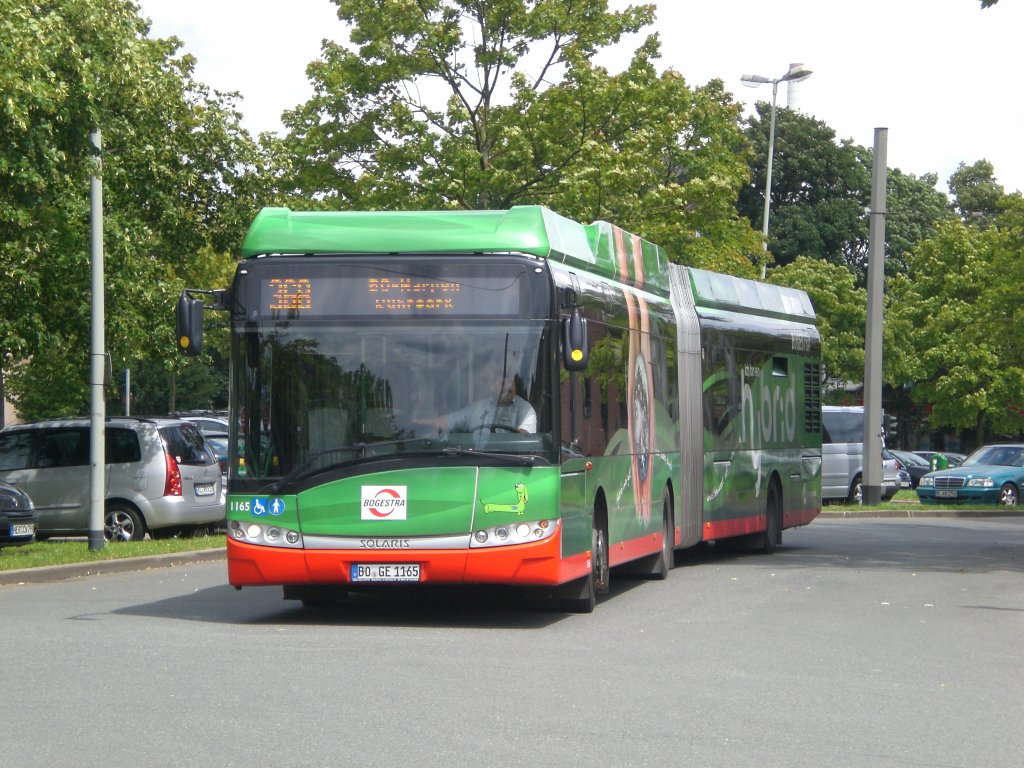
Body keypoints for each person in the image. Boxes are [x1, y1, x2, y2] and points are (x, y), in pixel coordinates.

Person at [416, 366, 536, 435]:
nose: (507, 387)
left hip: (511, 464)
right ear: (491, 386)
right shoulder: (476, 408)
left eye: (510, 382)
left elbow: (524, 437)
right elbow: (448, 421)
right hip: (474, 459)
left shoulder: (525, 410)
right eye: (502, 382)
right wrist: (417, 423)